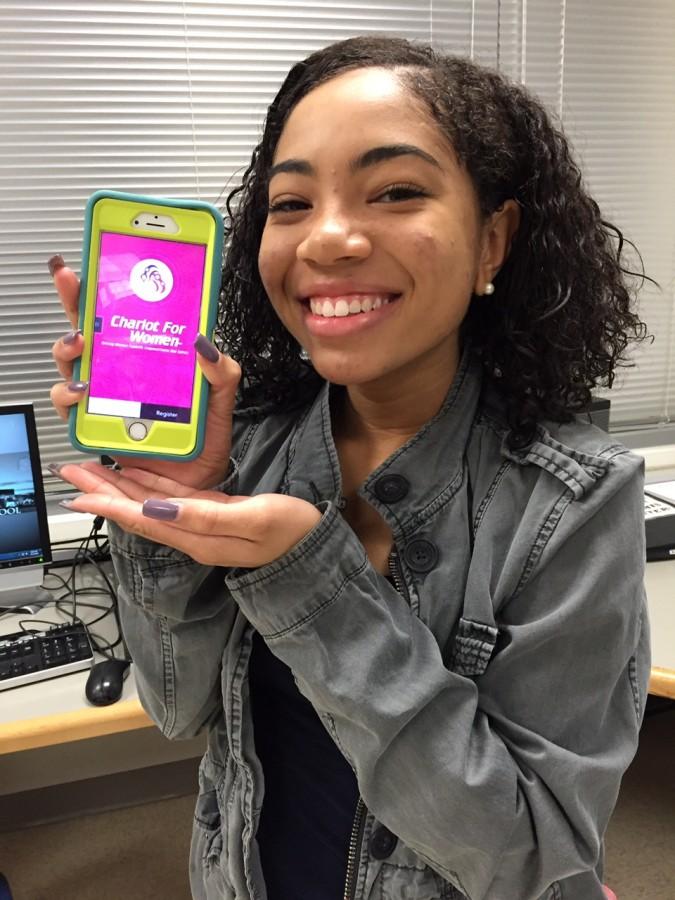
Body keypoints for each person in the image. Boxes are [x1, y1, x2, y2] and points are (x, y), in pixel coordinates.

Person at [47, 35, 650, 900]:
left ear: (491, 240)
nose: (325, 238)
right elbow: (180, 713)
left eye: (396, 190)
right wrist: (176, 506)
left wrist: (307, 579)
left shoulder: (570, 500)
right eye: (290, 204)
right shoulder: (246, 449)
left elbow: (525, 860)